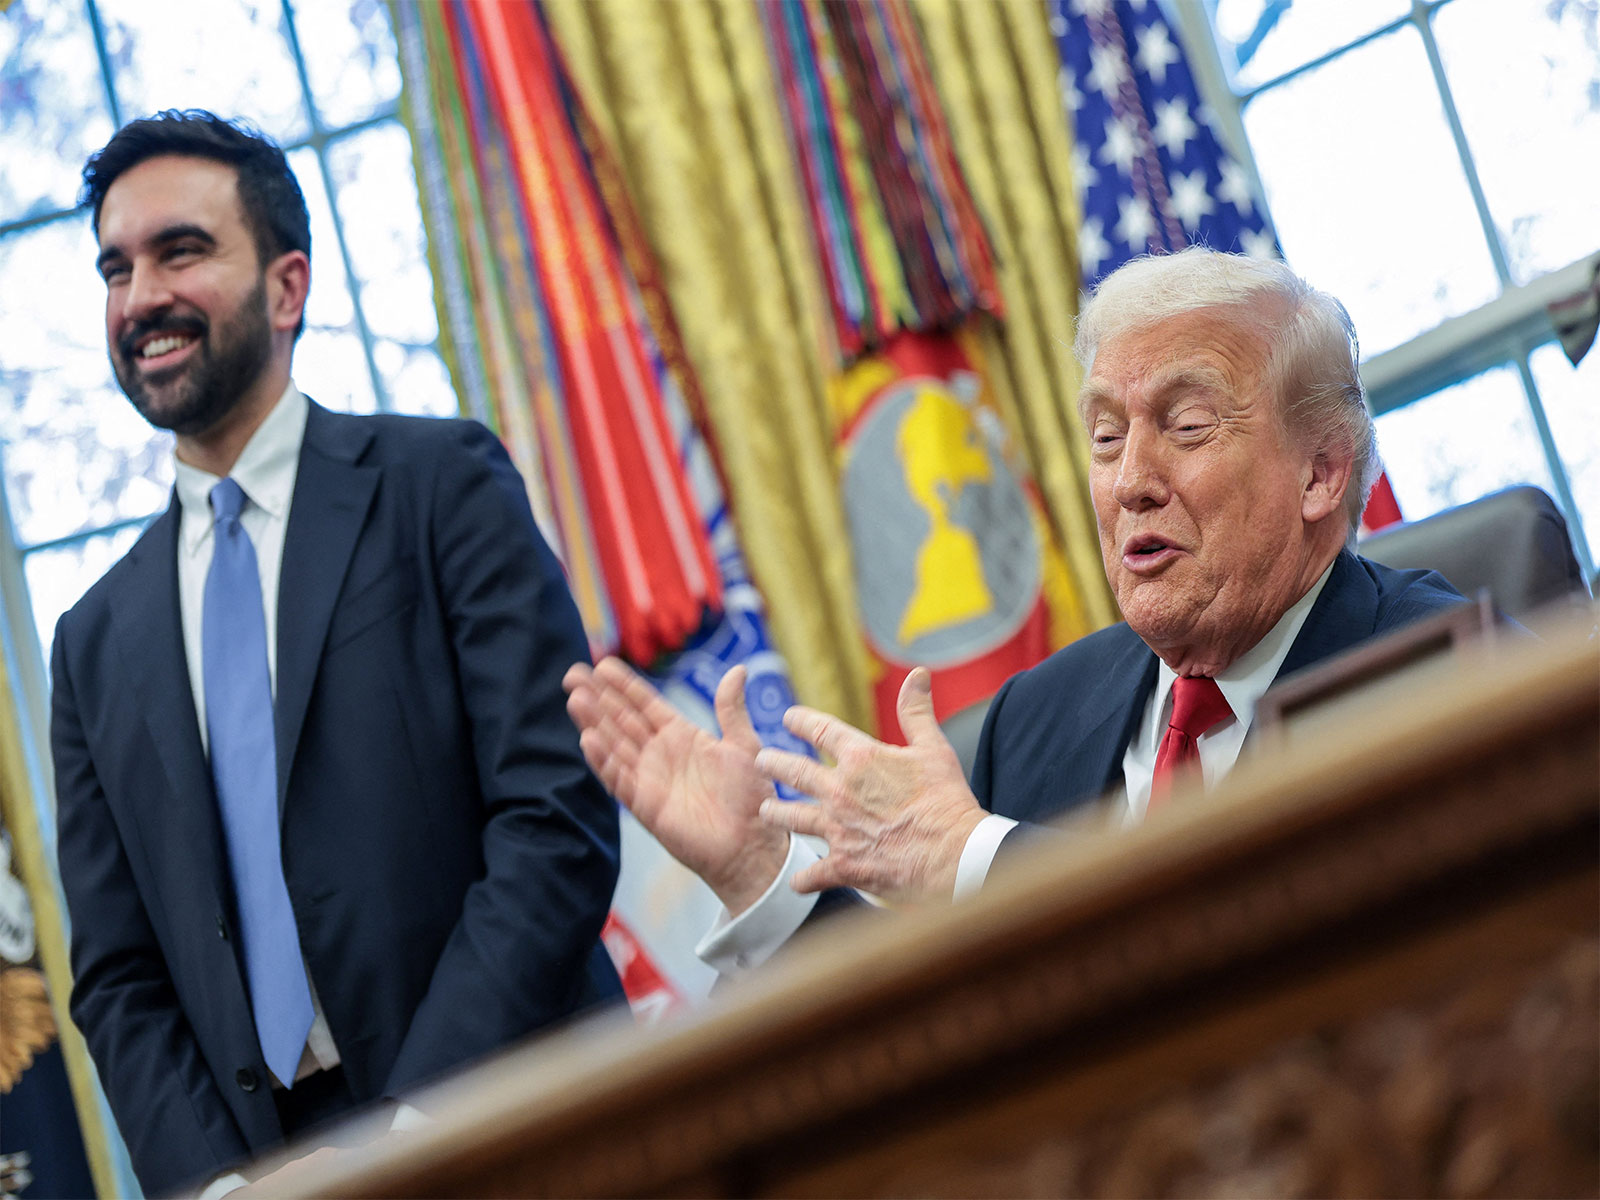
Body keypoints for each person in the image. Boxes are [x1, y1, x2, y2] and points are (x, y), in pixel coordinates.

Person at [564, 248, 1464, 972]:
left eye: (1187, 428)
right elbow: (934, 1021)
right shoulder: (1038, 716)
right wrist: (760, 873)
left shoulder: (1436, 667)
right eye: (1106, 437)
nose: (1131, 483)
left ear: (1321, 472)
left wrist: (977, 861)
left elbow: (1262, 946)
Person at [51, 110, 622, 1197]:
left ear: (287, 287)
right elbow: (119, 979)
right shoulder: (90, 645)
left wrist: (408, 1137)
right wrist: (222, 1188)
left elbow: (554, 815)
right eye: (114, 268)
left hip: (520, 1122)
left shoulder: (440, 486)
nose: (140, 299)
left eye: (182, 251)